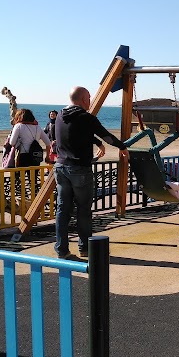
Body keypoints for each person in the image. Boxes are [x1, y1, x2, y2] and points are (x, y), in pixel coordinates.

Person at [54, 86, 129, 260]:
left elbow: (78, 133)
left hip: (60, 167)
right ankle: (85, 248)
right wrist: (122, 147)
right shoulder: (86, 117)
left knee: (62, 210)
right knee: (83, 210)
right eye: (88, 98)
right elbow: (106, 136)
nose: (90, 101)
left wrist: (96, 142)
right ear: (83, 100)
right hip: (80, 169)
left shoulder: (59, 115)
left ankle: (61, 250)